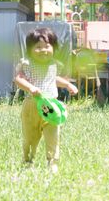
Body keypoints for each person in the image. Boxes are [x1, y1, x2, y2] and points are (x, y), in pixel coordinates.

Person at [14, 27, 78, 173]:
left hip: (50, 105)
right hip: (32, 106)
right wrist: (30, 88)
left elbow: (53, 79)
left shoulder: (53, 64)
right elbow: (18, 79)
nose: (43, 50)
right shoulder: (27, 64)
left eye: (47, 46)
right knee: (31, 136)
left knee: (53, 135)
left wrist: (67, 84)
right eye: (38, 47)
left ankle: (52, 162)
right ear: (30, 49)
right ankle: (28, 162)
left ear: (53, 48)